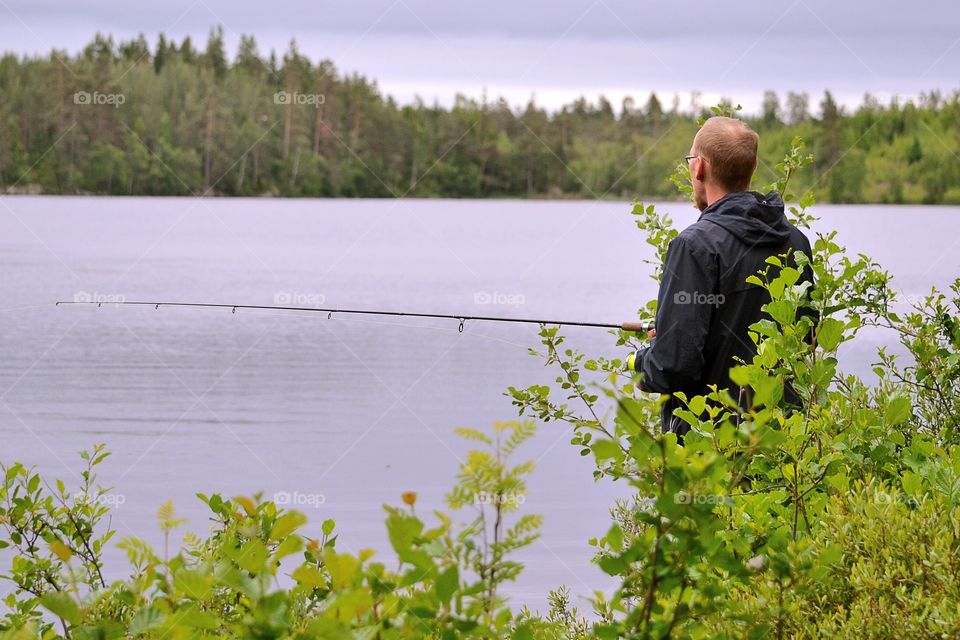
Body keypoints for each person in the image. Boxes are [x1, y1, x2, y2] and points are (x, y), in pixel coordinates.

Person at [627, 116, 814, 438]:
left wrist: (641, 362)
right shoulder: (796, 241)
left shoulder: (694, 246)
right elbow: (806, 337)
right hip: (782, 443)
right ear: (752, 168)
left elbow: (673, 366)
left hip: (711, 444)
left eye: (690, 161)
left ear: (699, 168)